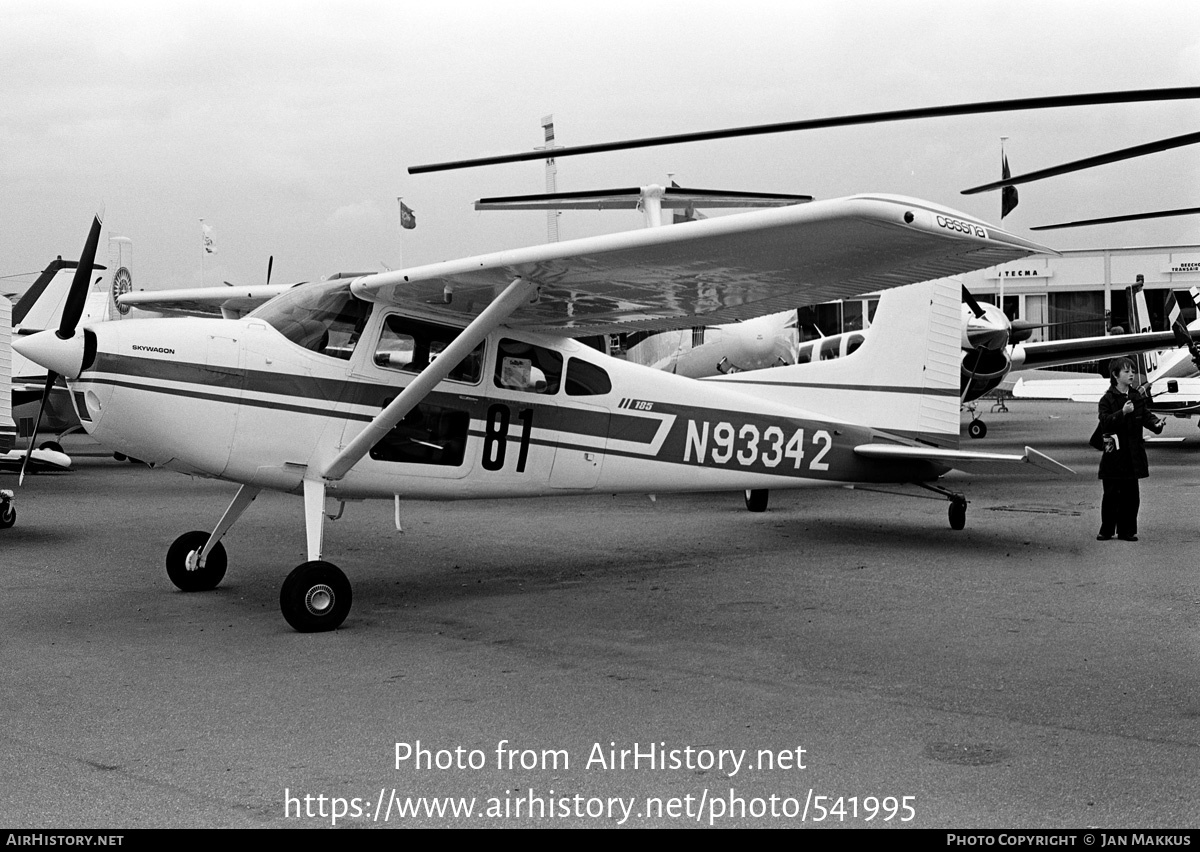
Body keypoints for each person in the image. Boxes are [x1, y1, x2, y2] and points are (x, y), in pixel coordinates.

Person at [1095, 356, 1164, 541]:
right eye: (1127, 371)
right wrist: (1122, 413)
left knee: (1131, 496)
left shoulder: (1136, 397)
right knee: (1110, 494)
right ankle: (1107, 530)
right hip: (1114, 454)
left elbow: (1146, 417)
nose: (1131, 374)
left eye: (1132, 371)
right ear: (1116, 375)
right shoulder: (1106, 399)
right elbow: (1105, 422)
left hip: (1133, 454)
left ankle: (1128, 530)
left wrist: (1157, 424)